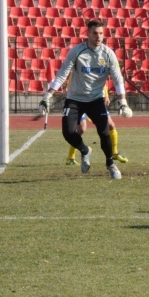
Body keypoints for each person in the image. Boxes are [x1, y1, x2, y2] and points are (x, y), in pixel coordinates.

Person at [39, 19, 132, 180]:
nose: (98, 36)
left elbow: (117, 79)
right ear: (88, 34)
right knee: (68, 132)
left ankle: (110, 164)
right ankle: (85, 150)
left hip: (96, 100)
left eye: (101, 33)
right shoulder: (77, 52)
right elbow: (62, 74)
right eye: (95, 33)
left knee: (104, 133)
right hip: (74, 99)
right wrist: (48, 95)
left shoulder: (108, 54)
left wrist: (123, 102)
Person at [66, 85, 128, 165]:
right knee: (81, 129)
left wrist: (106, 96)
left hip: (96, 102)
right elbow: (71, 83)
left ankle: (114, 153)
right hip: (80, 101)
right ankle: (70, 157)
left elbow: (103, 83)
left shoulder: (98, 73)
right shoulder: (77, 73)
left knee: (111, 125)